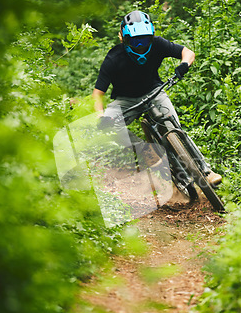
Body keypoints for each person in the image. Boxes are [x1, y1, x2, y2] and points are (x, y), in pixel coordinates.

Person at [92, 10, 222, 186]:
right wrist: (101, 116)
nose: (140, 45)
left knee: (175, 129)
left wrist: (184, 64)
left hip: (155, 92)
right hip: (125, 101)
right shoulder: (113, 58)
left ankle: (206, 171)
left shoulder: (158, 45)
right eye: (135, 40)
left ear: (151, 37)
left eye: (144, 40)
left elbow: (188, 53)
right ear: (123, 37)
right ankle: (147, 154)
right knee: (109, 127)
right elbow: (98, 94)